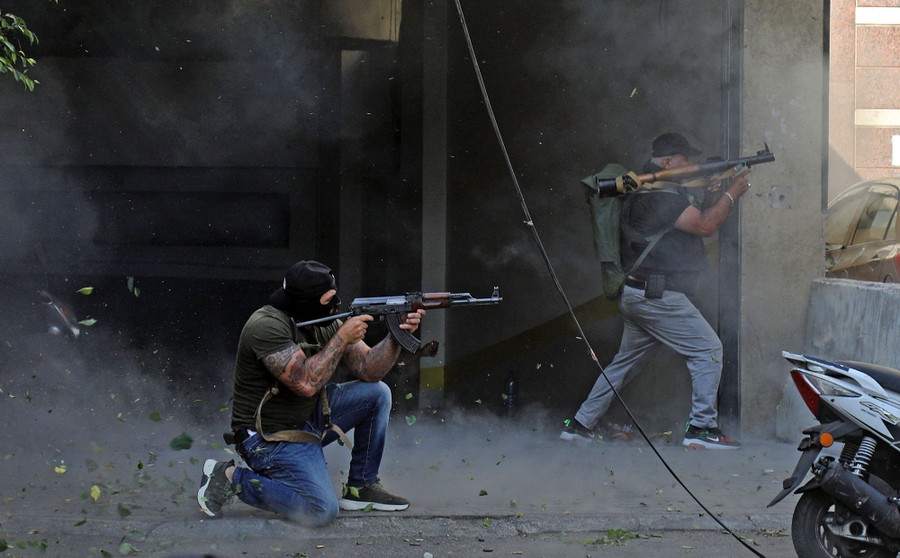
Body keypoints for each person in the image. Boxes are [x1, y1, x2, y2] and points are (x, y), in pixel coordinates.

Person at [197, 260, 425, 525]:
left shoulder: (322, 319)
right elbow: (305, 383)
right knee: (320, 510)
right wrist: (341, 338)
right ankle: (229, 478)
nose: (337, 304)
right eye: (329, 299)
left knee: (377, 393)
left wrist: (397, 334)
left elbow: (369, 369)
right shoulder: (266, 326)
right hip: (269, 437)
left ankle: (361, 487)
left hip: (308, 417)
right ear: (305, 302)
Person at [561, 132, 750, 450]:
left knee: (623, 365)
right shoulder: (658, 195)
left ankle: (580, 425)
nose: (690, 164)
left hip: (642, 295)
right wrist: (732, 193)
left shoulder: (654, 190)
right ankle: (702, 429)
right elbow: (704, 226)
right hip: (658, 297)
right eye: (685, 158)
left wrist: (713, 194)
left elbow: (687, 226)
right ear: (667, 162)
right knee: (708, 350)